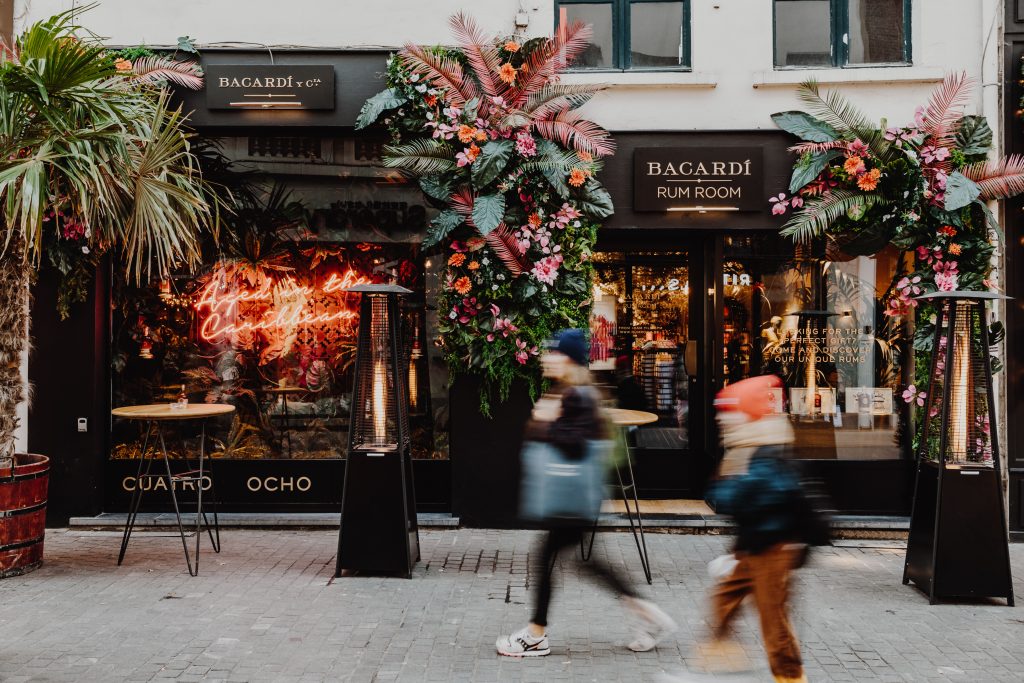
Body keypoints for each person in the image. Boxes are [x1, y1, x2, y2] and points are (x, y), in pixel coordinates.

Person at [495, 329, 676, 657]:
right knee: (585, 563)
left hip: (572, 496)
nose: (547, 359)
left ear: (570, 360)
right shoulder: (572, 392)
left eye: (554, 353)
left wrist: (546, 422)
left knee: (551, 560)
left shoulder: (578, 394)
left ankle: (536, 633)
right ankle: (649, 616)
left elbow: (576, 445)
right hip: (576, 497)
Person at [701, 375, 809, 683]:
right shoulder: (746, 448)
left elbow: (751, 496)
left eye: (728, 415)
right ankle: (719, 664)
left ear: (744, 415)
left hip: (773, 549)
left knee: (773, 620)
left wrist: (727, 488)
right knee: (725, 599)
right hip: (752, 546)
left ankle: (791, 678)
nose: (723, 422)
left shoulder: (765, 450)